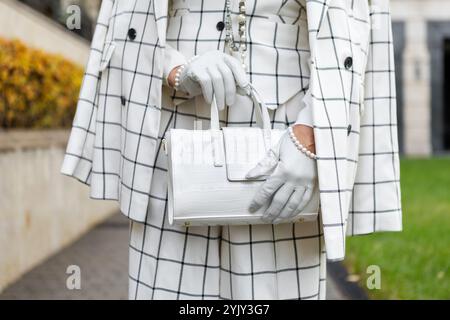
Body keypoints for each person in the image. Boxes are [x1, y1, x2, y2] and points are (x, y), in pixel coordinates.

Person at [61, 0, 402, 300]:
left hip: (286, 144)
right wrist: (174, 67)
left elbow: (351, 20)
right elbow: (130, 16)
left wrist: (313, 132)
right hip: (173, 137)